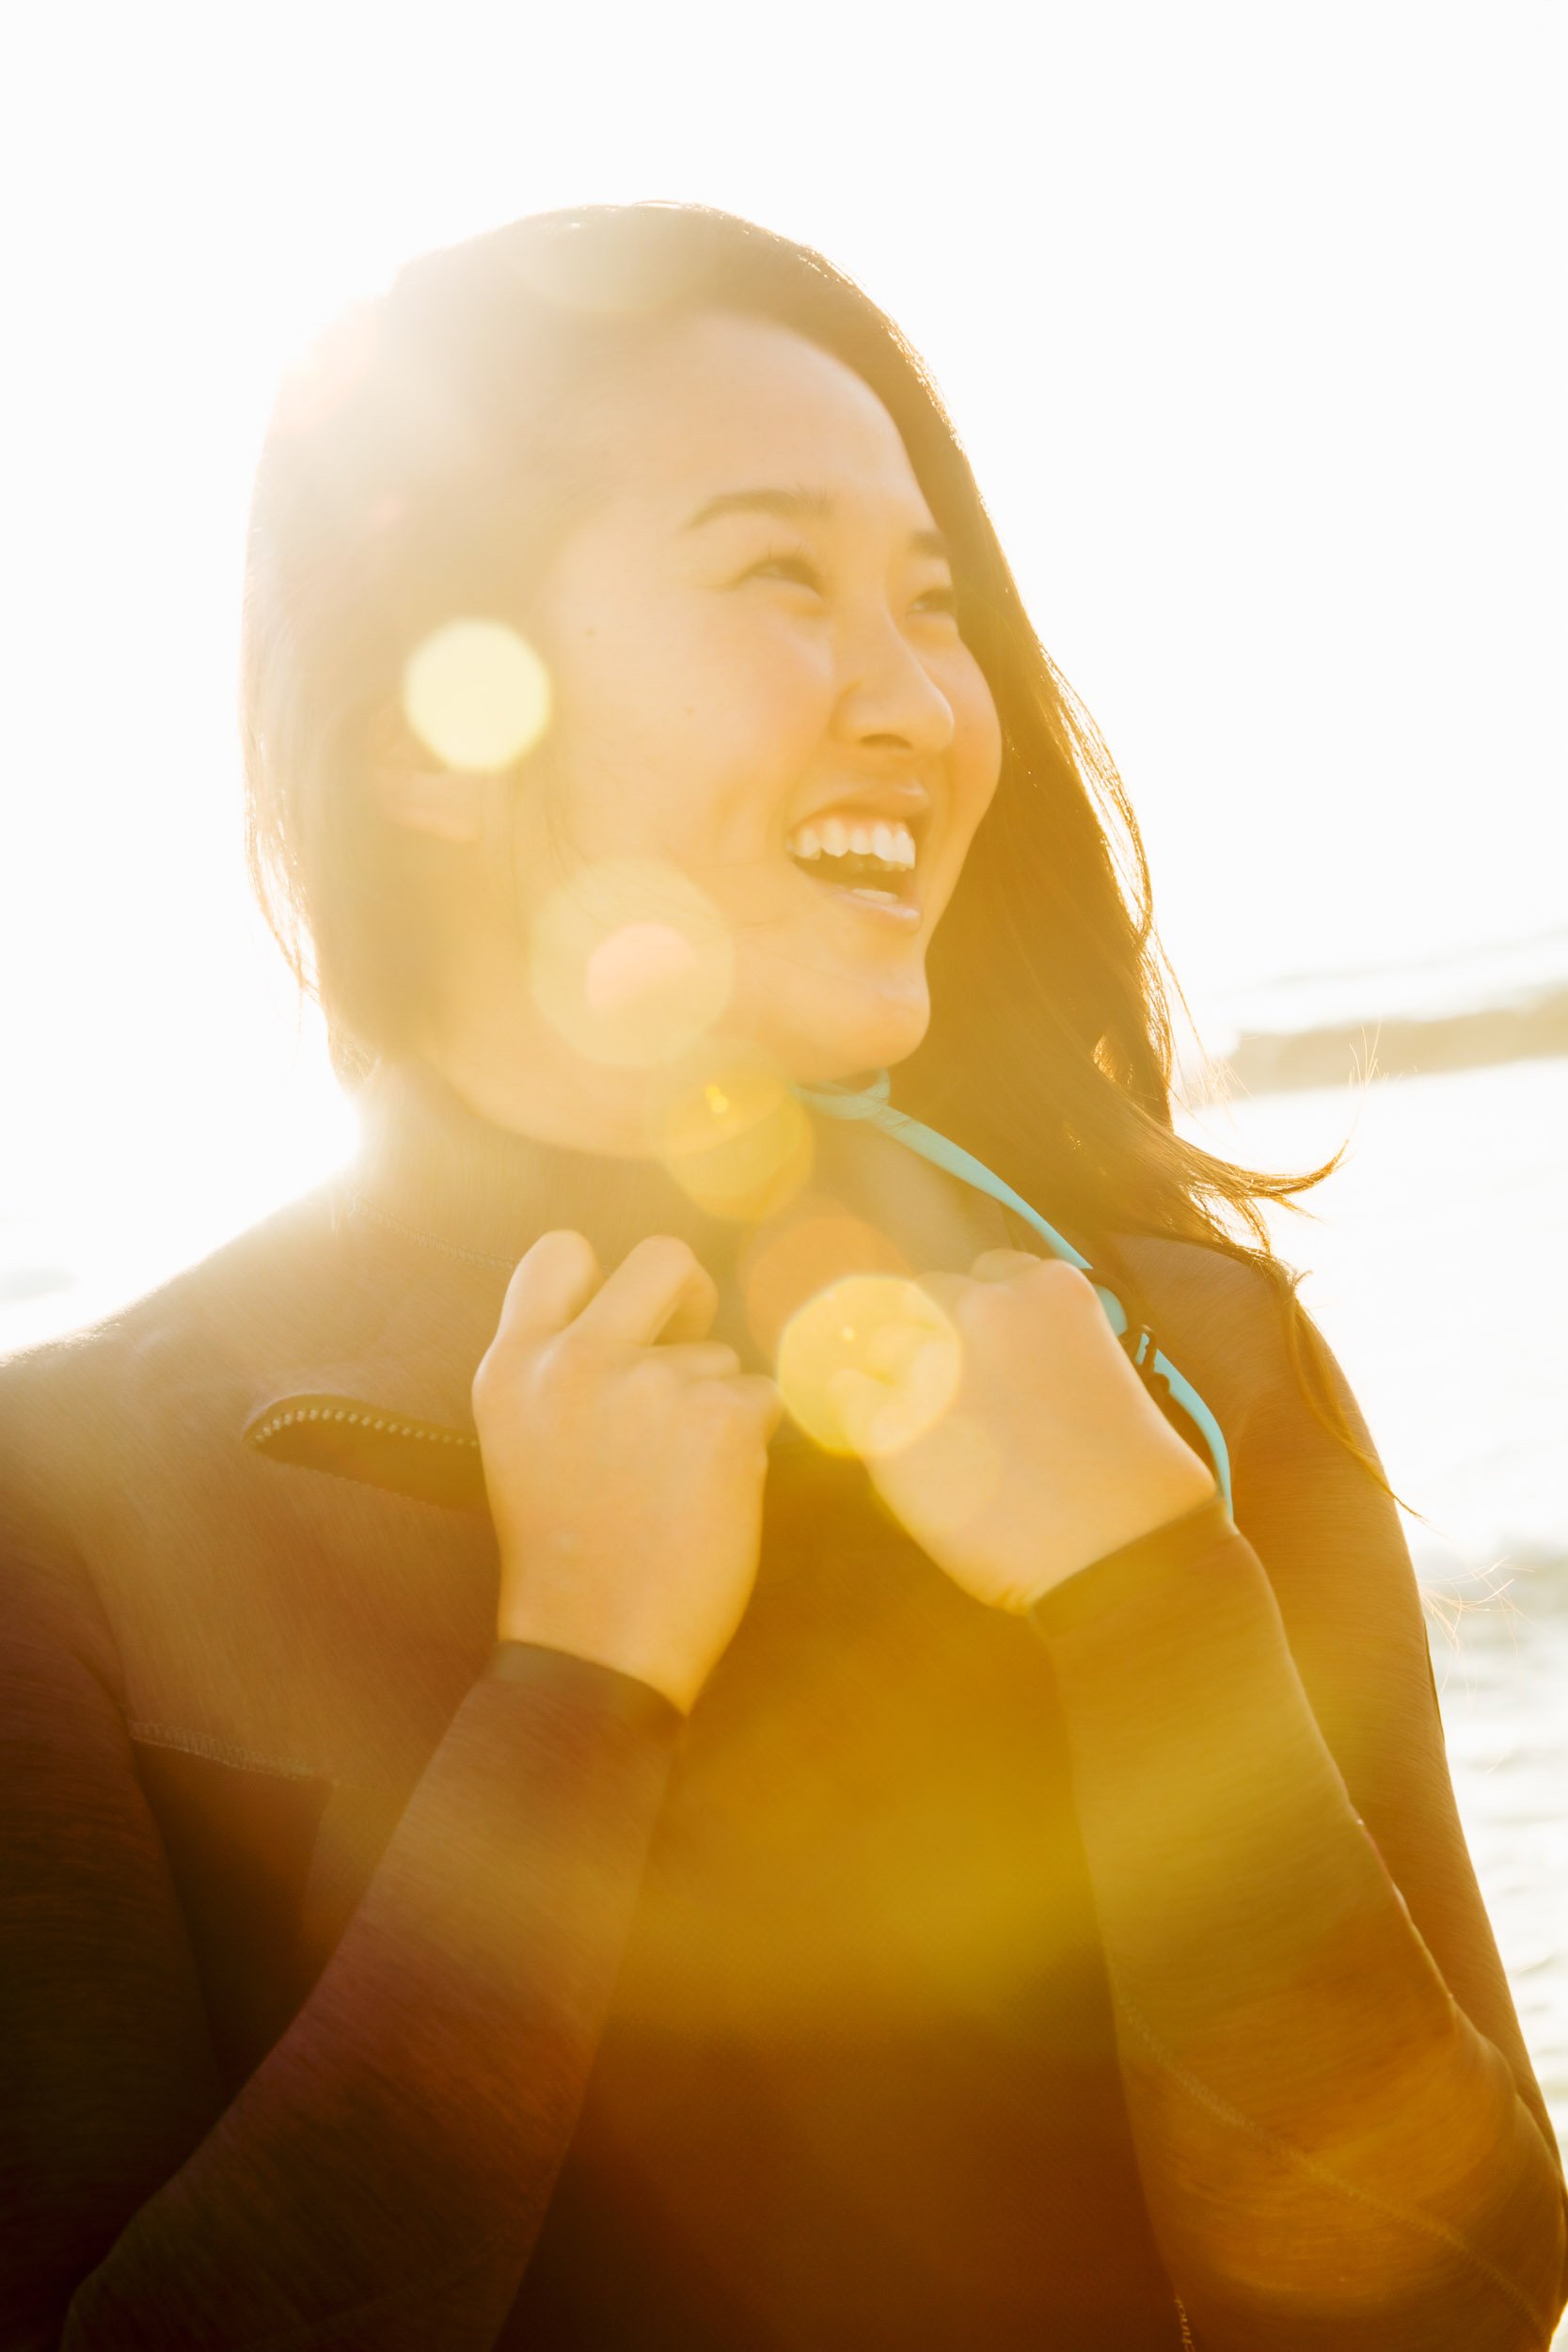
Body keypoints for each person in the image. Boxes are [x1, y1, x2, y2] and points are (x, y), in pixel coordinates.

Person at [1, 201, 1562, 2352]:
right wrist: (568, 1702)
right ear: (430, 738)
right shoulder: (76, 1508)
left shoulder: (1182, 1365)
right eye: (778, 578)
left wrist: (1146, 1599)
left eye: (936, 604)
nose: (926, 699)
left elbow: (1453, 2301)